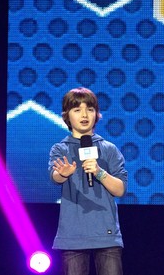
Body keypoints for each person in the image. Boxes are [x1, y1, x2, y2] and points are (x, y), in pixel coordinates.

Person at [48, 87, 128, 275]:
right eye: (77, 110)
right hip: (73, 235)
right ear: (67, 116)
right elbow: (54, 177)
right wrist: (64, 173)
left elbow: (120, 189)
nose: (84, 114)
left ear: (96, 114)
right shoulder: (60, 149)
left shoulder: (108, 149)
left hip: (106, 235)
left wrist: (99, 172)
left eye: (89, 109)